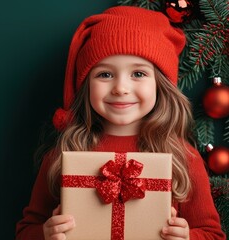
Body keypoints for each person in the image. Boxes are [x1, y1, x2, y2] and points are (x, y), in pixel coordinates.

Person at [15, 5, 226, 240]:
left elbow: (213, 235)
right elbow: (25, 230)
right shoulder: (63, 154)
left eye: (138, 74)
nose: (121, 89)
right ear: (86, 86)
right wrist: (45, 234)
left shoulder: (183, 158)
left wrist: (188, 238)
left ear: (160, 85)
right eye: (105, 74)